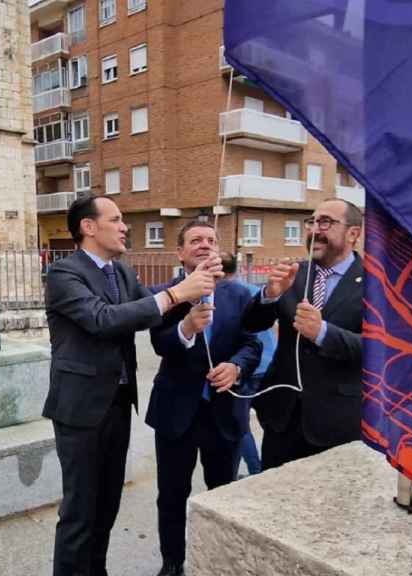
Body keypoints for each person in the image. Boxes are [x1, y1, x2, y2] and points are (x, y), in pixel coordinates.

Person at [43, 195, 221, 576]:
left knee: (106, 505)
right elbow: (103, 319)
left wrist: (196, 277)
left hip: (118, 403)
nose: (125, 227)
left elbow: (156, 315)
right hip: (80, 409)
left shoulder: (121, 272)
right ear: (88, 227)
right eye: (117, 219)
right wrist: (178, 292)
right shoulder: (64, 274)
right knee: (80, 511)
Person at [147, 223, 261, 576]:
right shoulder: (164, 294)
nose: (205, 245)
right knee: (171, 494)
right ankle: (172, 562)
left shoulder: (240, 295)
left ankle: (219, 559)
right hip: (175, 413)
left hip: (223, 412)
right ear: (180, 252)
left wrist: (236, 368)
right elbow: (159, 344)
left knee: (223, 493)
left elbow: (253, 344)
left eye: (211, 240)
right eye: (195, 240)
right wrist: (187, 328)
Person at [242, 198, 365, 469]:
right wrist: (269, 295)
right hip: (282, 419)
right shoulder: (295, 273)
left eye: (326, 222)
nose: (314, 229)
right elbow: (250, 324)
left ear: (353, 233)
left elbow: (379, 350)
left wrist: (323, 333)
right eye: (311, 222)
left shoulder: (375, 283)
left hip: (338, 423)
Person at [221, 252, 272, 476]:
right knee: (269, 423)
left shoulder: (231, 296)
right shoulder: (255, 291)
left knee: (239, 426)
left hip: (246, 371)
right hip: (269, 365)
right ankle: (265, 470)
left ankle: (253, 471)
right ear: (239, 267)